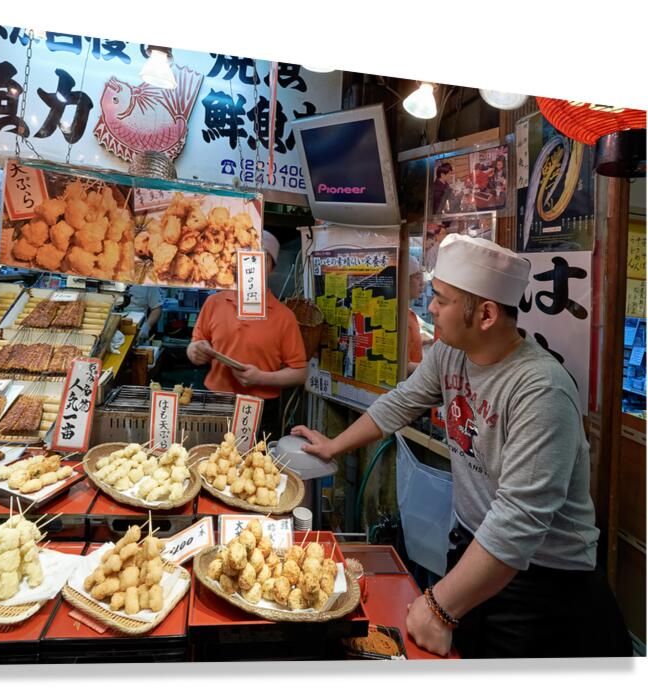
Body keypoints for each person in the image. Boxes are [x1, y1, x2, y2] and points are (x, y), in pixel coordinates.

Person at [292, 234, 631, 658]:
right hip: (475, 550)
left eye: (442, 299)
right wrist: (333, 446)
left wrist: (438, 606)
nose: (430, 308)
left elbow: (517, 523)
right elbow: (401, 402)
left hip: (542, 582)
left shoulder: (539, 391)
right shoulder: (450, 355)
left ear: (486, 314)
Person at [187, 231, 308, 437]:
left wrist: (262, 378)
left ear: (272, 268)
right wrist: (195, 351)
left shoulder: (284, 316)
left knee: (255, 466)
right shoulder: (214, 303)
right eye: (247, 256)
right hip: (215, 400)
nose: (252, 264)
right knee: (208, 462)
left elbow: (299, 373)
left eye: (261, 257)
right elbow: (196, 345)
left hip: (261, 407)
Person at [406, 255, 431, 374]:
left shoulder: (409, 313)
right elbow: (403, 366)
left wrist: (426, 341)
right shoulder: (397, 318)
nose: (422, 283)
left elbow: (408, 344)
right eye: (417, 277)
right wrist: (435, 371)